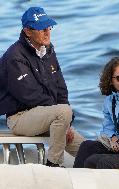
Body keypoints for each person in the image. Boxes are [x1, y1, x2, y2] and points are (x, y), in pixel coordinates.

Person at [0, 7, 85, 167]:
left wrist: (67, 123)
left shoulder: (48, 50)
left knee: (86, 148)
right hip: (20, 118)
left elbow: (61, 90)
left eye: (49, 27)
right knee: (63, 112)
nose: (47, 32)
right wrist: (62, 114)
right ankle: (53, 165)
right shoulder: (15, 56)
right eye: (42, 29)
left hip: (48, 113)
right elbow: (30, 95)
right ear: (27, 31)